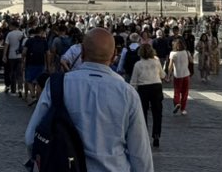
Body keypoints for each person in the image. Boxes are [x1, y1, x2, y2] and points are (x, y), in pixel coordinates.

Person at [25, 27, 153, 172]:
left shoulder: (56, 85)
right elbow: (140, 153)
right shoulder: (128, 93)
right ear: (114, 56)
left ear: (82, 53)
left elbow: (30, 138)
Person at [129, 42, 165, 148]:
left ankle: (144, 136)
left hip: (143, 88)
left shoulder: (138, 64)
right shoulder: (156, 62)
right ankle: (156, 134)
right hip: (156, 86)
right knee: (157, 113)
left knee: (143, 113)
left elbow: (133, 81)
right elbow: (162, 75)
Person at [166, 37, 192, 115]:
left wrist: (168, 76)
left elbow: (170, 66)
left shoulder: (172, 53)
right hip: (186, 74)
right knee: (185, 93)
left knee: (177, 91)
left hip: (177, 75)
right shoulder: (186, 52)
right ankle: (183, 109)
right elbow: (191, 61)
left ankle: (177, 103)